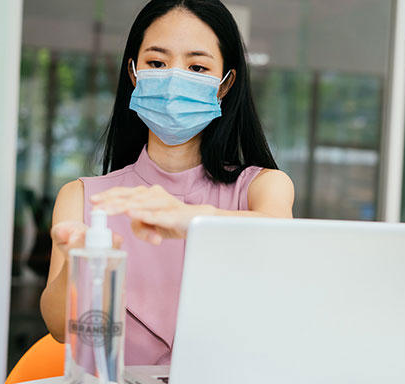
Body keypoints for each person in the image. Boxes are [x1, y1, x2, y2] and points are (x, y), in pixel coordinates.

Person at [39, 0, 294, 366]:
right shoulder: (82, 197)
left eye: (197, 66)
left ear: (225, 84)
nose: (174, 79)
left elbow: (279, 234)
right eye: (157, 63)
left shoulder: (262, 188)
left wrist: (189, 218)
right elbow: (58, 327)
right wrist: (82, 263)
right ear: (133, 73)